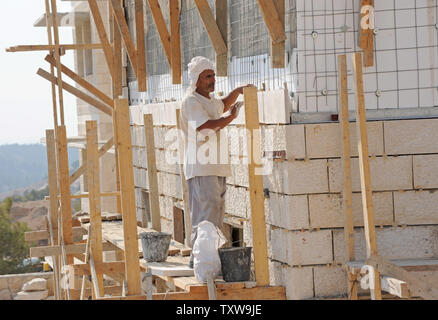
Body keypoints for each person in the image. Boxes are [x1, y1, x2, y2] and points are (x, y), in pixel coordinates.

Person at [179, 56, 254, 268]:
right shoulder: (191, 102)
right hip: (202, 169)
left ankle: (210, 263)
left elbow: (221, 106)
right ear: (197, 80)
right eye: (207, 76)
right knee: (205, 218)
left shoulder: (208, 101)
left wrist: (238, 91)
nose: (212, 80)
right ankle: (199, 263)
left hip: (215, 168)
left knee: (216, 217)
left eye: (213, 75)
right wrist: (231, 117)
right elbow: (205, 127)